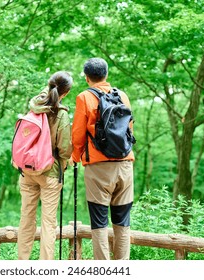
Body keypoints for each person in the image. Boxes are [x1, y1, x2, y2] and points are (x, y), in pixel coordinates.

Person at [70, 58, 135, 260]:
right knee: (122, 221)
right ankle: (122, 267)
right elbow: (129, 129)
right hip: (125, 165)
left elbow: (78, 134)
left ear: (87, 77)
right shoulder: (122, 96)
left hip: (98, 168)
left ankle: (103, 269)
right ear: (106, 74)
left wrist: (74, 157)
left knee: (99, 222)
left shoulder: (84, 97)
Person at [17, 71, 73, 260]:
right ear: (65, 93)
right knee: (48, 223)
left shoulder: (33, 107)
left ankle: (22, 262)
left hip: (26, 170)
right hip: (50, 173)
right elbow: (64, 150)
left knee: (26, 219)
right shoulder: (61, 114)